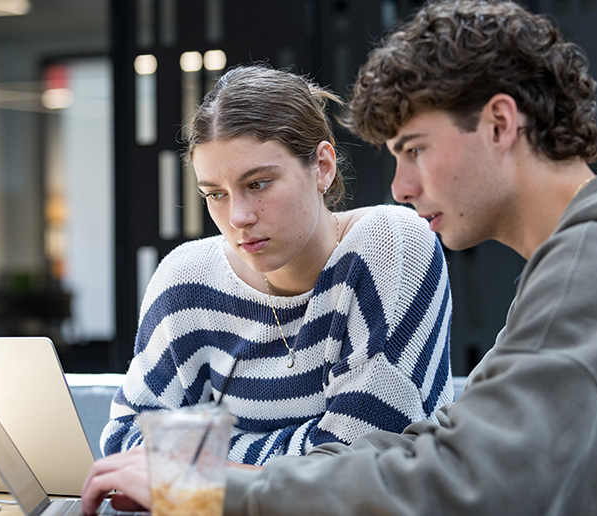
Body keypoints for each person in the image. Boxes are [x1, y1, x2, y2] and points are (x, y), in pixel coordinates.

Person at [81, 1, 597, 514]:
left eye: (414, 150)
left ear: (501, 124)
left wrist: (206, 484)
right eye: (214, 194)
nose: (401, 185)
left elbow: (463, 482)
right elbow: (439, 449)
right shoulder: (579, 264)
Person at [99, 64, 455, 467]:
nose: (238, 217)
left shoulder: (390, 243)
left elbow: (361, 456)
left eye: (258, 184)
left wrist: (202, 458)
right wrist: (290, 455)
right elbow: (126, 440)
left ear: (322, 166)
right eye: (215, 194)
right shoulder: (187, 279)